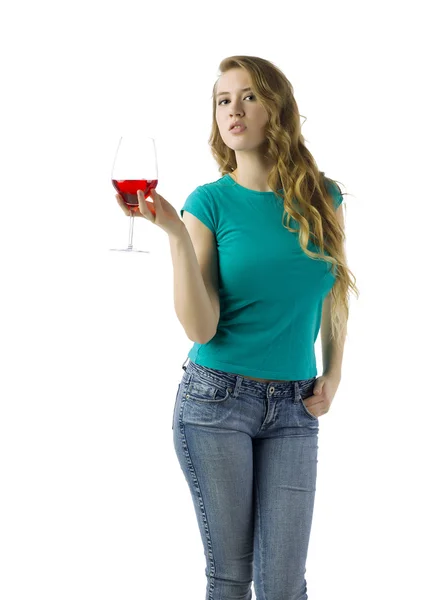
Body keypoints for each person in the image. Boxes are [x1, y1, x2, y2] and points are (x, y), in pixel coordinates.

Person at [116, 55, 359, 600]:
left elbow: (335, 291)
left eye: (248, 96)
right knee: (231, 577)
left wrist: (335, 372)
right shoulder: (209, 203)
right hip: (217, 403)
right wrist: (177, 234)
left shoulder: (325, 198)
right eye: (223, 100)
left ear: (278, 108)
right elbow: (201, 329)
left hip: (297, 407)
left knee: (283, 586)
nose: (234, 109)